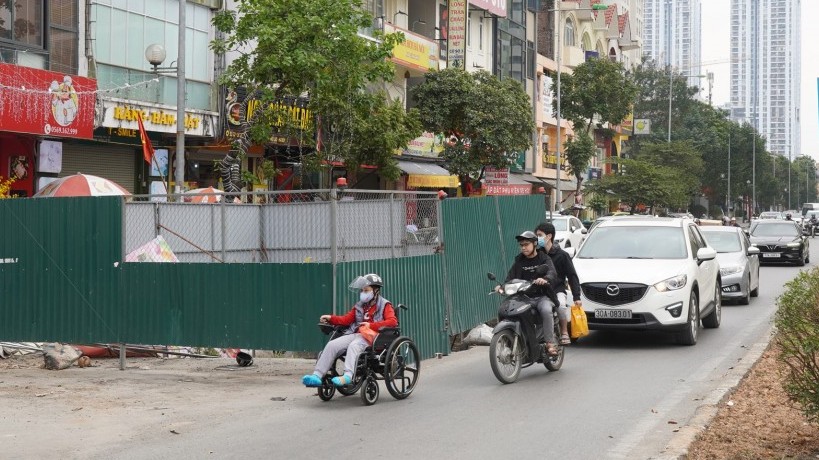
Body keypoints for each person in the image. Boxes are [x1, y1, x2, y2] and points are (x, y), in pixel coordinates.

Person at [301, 274, 397, 388]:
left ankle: (348, 376)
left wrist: (371, 325)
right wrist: (331, 318)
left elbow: (392, 322)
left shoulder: (385, 305)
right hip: (357, 334)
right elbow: (346, 320)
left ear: (376, 291)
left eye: (366, 290)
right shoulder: (360, 306)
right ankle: (317, 376)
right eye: (362, 290)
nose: (363, 293)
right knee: (332, 345)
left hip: (374, 337)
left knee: (354, 346)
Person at [498, 231, 560, 355]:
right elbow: (510, 277)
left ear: (535, 244)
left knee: (546, 310)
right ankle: (515, 341)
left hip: (542, 296)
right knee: (506, 309)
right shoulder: (519, 261)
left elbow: (552, 273)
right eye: (521, 245)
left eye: (526, 244)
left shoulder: (544, 258)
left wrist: (545, 279)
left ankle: (549, 343)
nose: (523, 247)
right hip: (523, 298)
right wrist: (501, 286)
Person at [535, 222, 581, 345]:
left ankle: (564, 332)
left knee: (560, 306)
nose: (537, 238)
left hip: (557, 290)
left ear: (549, 236)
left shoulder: (562, 255)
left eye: (540, 235)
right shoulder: (537, 255)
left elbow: (572, 276)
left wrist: (577, 296)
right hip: (540, 290)